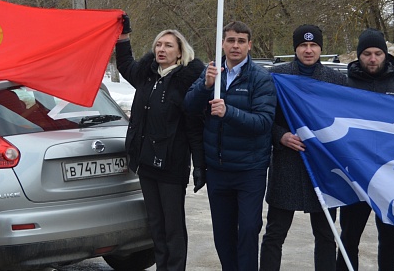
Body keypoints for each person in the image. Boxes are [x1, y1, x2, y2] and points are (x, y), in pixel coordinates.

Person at [114, 15, 205, 271]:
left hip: (172, 165)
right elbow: (124, 64)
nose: (161, 49)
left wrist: (199, 166)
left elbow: (195, 127)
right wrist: (123, 35)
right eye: (159, 45)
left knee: (173, 225)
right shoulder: (147, 75)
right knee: (155, 223)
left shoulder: (188, 80)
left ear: (180, 53)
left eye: (168, 45)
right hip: (146, 162)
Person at [184, 21, 276, 271]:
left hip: (250, 170)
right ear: (222, 43)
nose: (235, 46)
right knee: (223, 235)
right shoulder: (211, 73)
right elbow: (189, 108)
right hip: (219, 169)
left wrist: (229, 112)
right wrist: (204, 86)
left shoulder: (260, 78)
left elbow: (264, 122)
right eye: (230, 40)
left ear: (249, 45)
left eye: (241, 41)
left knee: (247, 230)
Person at [260, 24, 346, 271]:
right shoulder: (277, 77)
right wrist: (281, 136)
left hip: (322, 169)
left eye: (313, 45)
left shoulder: (337, 81)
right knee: (275, 233)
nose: (308, 50)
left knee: (326, 234)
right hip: (287, 165)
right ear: (295, 48)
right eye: (303, 45)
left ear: (320, 47)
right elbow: (265, 116)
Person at [335, 29, 394, 271]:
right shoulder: (344, 86)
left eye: (377, 53)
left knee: (391, 238)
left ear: (385, 54)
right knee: (349, 236)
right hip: (355, 175)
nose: (372, 59)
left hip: (391, 177)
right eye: (366, 53)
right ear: (358, 56)